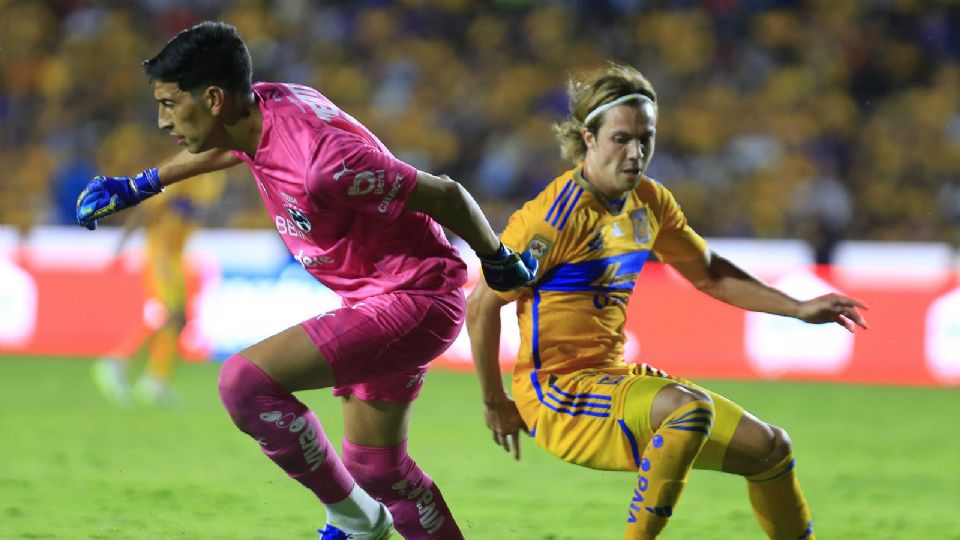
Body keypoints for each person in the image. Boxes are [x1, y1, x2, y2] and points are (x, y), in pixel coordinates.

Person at [76, 21, 537, 540]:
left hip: (412, 299)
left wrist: (496, 258)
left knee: (244, 383)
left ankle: (353, 517)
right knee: (378, 472)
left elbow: (447, 195)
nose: (161, 121)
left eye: (168, 104)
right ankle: (367, 510)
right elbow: (234, 146)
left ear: (211, 98)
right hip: (381, 296)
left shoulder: (324, 164)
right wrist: (141, 185)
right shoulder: (262, 107)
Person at [465, 62, 868, 540]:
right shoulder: (551, 220)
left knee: (771, 449)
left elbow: (711, 274)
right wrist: (496, 401)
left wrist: (798, 308)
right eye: (622, 139)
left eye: (646, 138)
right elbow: (481, 305)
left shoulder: (650, 203)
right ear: (588, 139)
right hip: (559, 393)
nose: (636, 154)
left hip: (613, 379)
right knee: (688, 410)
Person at [93, 170, 227, 407]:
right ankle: (117, 362)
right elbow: (146, 209)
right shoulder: (180, 176)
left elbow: (197, 217)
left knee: (180, 319)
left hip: (176, 257)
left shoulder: (211, 179)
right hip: (160, 255)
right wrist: (123, 242)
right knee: (168, 315)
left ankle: (155, 381)